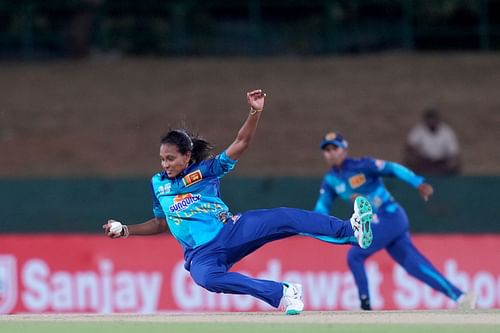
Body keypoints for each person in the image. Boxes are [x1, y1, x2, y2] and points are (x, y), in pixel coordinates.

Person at [102, 89, 374, 315]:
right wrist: (126, 229)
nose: (165, 164)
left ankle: (351, 230)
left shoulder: (206, 171)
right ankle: (283, 293)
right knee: (205, 278)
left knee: (285, 218)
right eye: (162, 159)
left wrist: (255, 111)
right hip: (202, 254)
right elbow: (161, 222)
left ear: (187, 156)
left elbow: (241, 142)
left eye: (171, 159)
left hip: (231, 231)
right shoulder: (158, 183)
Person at [314, 131, 475, 311]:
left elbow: (392, 168)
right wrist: (313, 224)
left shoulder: (363, 165)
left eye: (334, 148)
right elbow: (322, 207)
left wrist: (417, 182)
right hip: (383, 222)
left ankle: (365, 305)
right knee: (415, 266)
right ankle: (461, 297)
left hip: (389, 216)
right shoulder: (331, 180)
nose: (331, 153)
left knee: (355, 255)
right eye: (327, 150)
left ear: (344, 149)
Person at [404, 109, 461, 175]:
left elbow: (453, 152)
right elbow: (410, 146)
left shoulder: (447, 131)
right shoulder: (419, 130)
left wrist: (451, 163)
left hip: (442, 162)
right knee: (410, 163)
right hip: (424, 161)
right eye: (429, 119)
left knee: (454, 165)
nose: (431, 122)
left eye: (433, 119)